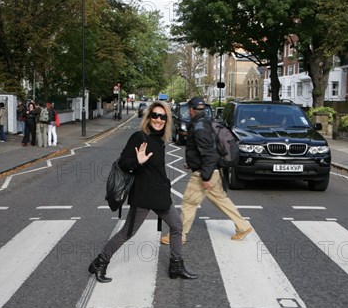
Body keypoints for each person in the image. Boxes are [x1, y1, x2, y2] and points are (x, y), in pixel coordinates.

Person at [88, 101, 197, 283]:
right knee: (127, 233)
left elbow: (157, 170)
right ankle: (100, 262)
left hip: (160, 196)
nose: (158, 120)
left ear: (167, 120)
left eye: (163, 117)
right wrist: (137, 161)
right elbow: (124, 162)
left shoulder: (160, 140)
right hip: (143, 196)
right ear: (148, 117)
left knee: (177, 226)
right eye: (155, 115)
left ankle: (176, 265)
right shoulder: (139, 137)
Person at [160, 97, 252, 245]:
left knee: (189, 203)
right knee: (221, 200)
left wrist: (206, 177)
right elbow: (202, 150)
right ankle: (243, 226)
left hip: (205, 172)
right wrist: (191, 163)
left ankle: (179, 235)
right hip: (211, 170)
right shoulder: (205, 123)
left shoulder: (199, 127)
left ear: (191, 110)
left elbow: (209, 154)